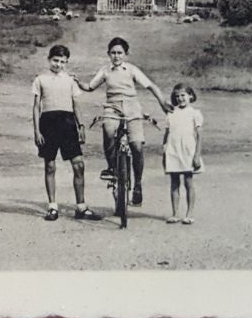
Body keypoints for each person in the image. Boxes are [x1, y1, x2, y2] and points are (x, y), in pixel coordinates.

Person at [79, 36, 170, 207]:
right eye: (113, 53)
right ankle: (112, 167)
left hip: (132, 108)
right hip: (112, 107)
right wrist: (76, 82)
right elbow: (90, 87)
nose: (116, 56)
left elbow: (151, 86)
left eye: (120, 53)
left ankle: (138, 185)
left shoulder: (132, 70)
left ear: (126, 54)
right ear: (108, 54)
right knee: (108, 130)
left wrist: (163, 103)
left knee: (136, 146)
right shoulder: (105, 70)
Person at [32, 44, 99, 221]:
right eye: (55, 60)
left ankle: (81, 207)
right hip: (48, 123)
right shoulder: (40, 79)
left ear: (66, 63)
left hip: (68, 124)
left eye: (63, 62)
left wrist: (81, 125)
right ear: (49, 59)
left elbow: (76, 104)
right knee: (50, 165)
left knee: (78, 165)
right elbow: (36, 106)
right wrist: (37, 131)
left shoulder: (70, 80)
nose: (58, 64)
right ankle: (52, 207)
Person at [162, 83, 204, 225]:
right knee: (174, 183)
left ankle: (189, 214)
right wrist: (164, 152)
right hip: (173, 150)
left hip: (188, 151)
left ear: (190, 96)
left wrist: (197, 155)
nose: (180, 98)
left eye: (183, 95)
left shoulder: (195, 113)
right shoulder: (171, 113)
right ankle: (175, 214)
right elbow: (167, 134)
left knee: (188, 182)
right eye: (177, 96)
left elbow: (199, 136)